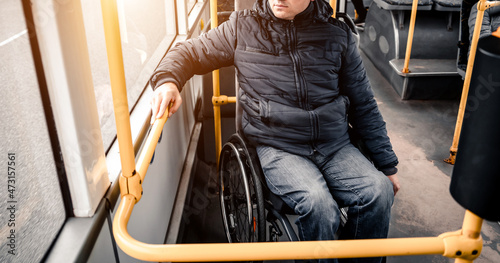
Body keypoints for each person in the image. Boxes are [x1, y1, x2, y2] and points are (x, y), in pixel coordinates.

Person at [149, 0, 400, 262]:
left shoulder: (337, 35)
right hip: (278, 146)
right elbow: (190, 52)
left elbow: (364, 103)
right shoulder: (242, 27)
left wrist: (387, 165)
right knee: (319, 205)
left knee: (379, 192)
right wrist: (168, 81)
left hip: (333, 144)